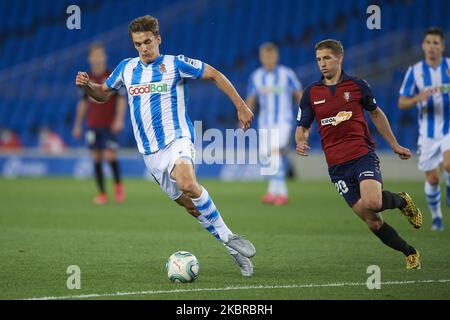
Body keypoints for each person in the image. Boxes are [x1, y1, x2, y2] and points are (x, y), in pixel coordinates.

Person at [75, 15, 256, 276]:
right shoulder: (126, 68)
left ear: (158, 39)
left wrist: (241, 105)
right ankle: (233, 250)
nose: (144, 48)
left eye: (147, 41)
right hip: (151, 155)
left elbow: (214, 75)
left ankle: (229, 236)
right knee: (191, 207)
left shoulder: (175, 64)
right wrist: (88, 86)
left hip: (177, 139)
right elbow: (103, 93)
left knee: (186, 182)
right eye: (138, 44)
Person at [296, 39, 422, 270]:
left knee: (373, 202)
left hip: (361, 154)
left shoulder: (357, 86)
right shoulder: (311, 93)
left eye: (326, 58)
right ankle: (409, 252)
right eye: (318, 60)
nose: (322, 64)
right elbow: (303, 126)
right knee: (373, 222)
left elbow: (375, 114)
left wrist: (394, 144)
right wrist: (301, 141)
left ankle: (403, 200)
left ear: (339, 58)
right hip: (336, 167)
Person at [399, 27, 449, 232]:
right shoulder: (415, 71)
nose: (431, 47)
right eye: (428, 42)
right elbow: (402, 102)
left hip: (448, 126)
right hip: (427, 133)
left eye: (436, 43)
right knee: (433, 178)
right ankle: (437, 216)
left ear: (442, 47)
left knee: (449, 164)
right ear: (423, 46)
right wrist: (417, 98)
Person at [246, 43, 303, 206]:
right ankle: (272, 191)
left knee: (274, 153)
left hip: (283, 121)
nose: (269, 59)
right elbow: (251, 99)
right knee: (267, 156)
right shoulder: (256, 76)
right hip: (265, 122)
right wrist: (244, 118)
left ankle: (282, 193)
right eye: (265, 56)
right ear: (261, 57)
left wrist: (306, 115)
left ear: (276, 56)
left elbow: (299, 94)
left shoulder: (287, 74)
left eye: (271, 56)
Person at [73, 43, 127, 205]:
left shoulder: (111, 75)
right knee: (96, 158)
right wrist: (77, 124)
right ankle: (102, 193)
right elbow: (82, 103)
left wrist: (119, 119)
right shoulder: (86, 79)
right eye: (94, 55)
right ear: (90, 58)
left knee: (110, 156)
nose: (97, 58)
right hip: (93, 124)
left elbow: (122, 98)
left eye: (100, 55)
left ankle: (118, 186)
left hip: (109, 124)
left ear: (104, 57)